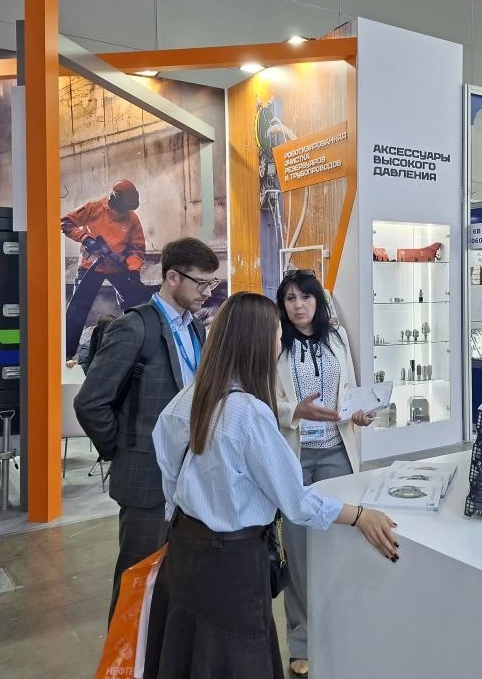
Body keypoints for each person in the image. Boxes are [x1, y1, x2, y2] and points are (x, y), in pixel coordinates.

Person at [145, 292, 399, 678]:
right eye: (277, 335)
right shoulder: (248, 413)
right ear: (257, 344)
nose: (280, 343)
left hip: (185, 552)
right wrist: (360, 515)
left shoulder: (189, 398)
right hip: (233, 562)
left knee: (192, 653)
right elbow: (296, 501)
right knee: (239, 657)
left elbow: (168, 471)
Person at [73, 237, 220, 621]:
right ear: (172, 277)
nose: (207, 292)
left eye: (211, 283)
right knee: (137, 581)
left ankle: (162, 651)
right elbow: (91, 403)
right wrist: (123, 450)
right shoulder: (134, 328)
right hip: (146, 478)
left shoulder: (196, 330)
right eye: (201, 283)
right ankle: (125, 655)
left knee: (178, 579)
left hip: (189, 476)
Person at [273, 270, 374, 678]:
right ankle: (301, 641)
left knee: (339, 542)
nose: (298, 305)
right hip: (294, 456)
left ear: (318, 300)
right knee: (298, 553)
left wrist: (358, 414)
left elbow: (349, 391)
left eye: (305, 297)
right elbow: (266, 400)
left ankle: (342, 628)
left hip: (337, 451)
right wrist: (293, 410)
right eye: (290, 299)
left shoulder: (338, 338)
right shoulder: (275, 343)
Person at [61, 179, 150, 359]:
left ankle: (135, 346)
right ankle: (66, 354)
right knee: (78, 309)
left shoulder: (132, 218)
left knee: (135, 303)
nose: (125, 212)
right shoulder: (94, 209)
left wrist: (133, 270)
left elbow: (136, 248)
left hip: (119, 267)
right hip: (90, 266)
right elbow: (66, 222)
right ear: (115, 199)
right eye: (124, 208)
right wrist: (86, 239)